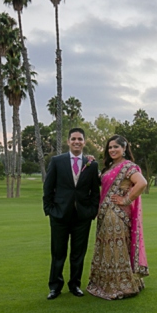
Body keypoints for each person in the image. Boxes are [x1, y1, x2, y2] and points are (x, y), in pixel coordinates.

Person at [87, 135, 149, 300]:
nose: (112, 150)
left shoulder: (128, 167)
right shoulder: (109, 167)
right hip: (105, 214)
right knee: (107, 248)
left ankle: (121, 285)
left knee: (116, 248)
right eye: (110, 147)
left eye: (116, 147)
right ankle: (107, 282)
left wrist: (126, 199)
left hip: (117, 214)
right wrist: (90, 162)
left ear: (124, 149)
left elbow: (142, 183)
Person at [43, 128, 100, 300]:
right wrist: (50, 210)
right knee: (58, 253)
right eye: (73, 139)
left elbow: (94, 192)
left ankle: (75, 285)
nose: (77, 141)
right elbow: (48, 188)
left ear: (84, 142)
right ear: (68, 141)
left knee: (78, 254)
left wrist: (91, 211)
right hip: (60, 216)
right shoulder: (57, 161)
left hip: (82, 217)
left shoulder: (91, 164)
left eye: (80, 139)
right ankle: (55, 287)